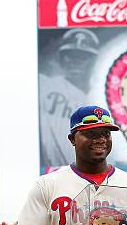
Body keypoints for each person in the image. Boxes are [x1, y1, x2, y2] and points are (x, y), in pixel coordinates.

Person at [39, 28, 100, 169]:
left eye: (83, 56)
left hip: (85, 174)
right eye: (70, 55)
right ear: (61, 59)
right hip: (52, 172)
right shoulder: (46, 85)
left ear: (93, 61)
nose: (75, 61)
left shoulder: (99, 100)